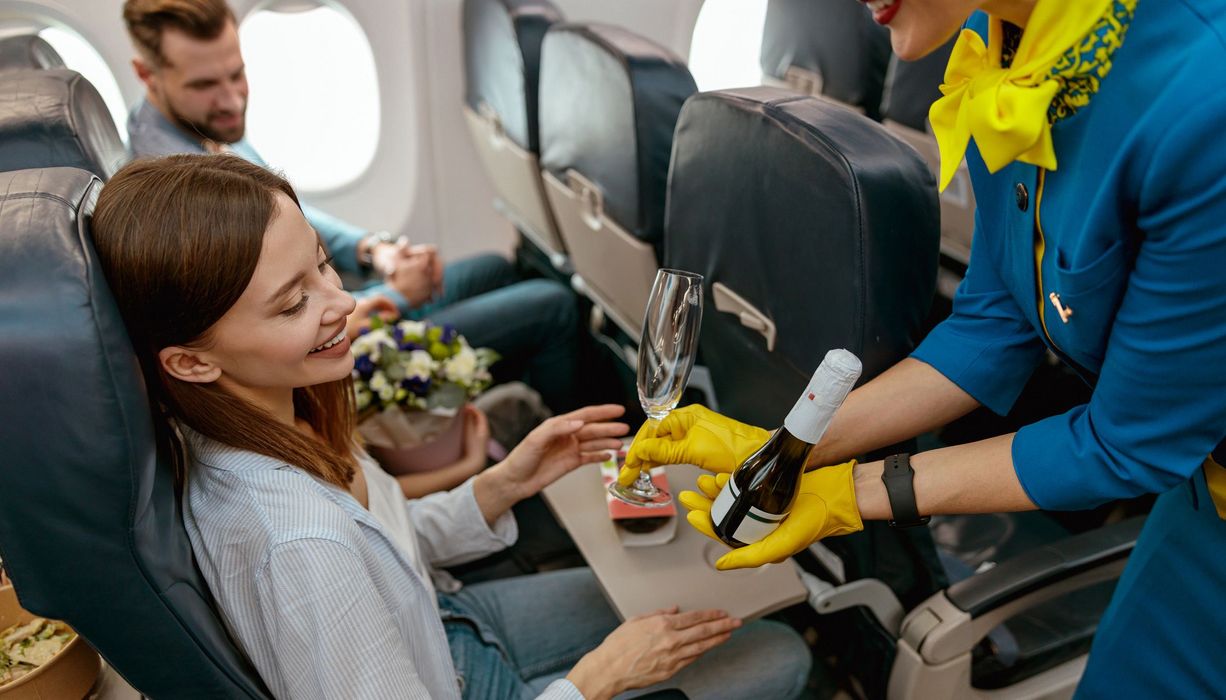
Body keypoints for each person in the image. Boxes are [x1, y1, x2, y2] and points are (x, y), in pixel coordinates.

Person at [624, 0, 1226, 695]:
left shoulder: (1202, 95)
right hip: (1200, 493)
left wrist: (852, 494)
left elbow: (1124, 442)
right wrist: (784, 448)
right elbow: (995, 324)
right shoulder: (999, 45)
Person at [88, 153, 811, 700]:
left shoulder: (265, 420)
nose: (340, 303)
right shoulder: (295, 545)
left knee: (713, 612)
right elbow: (338, 559)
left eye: (320, 267)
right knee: (779, 656)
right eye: (290, 305)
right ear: (190, 361)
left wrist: (501, 484)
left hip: (441, 625)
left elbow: (379, 552)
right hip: (448, 677)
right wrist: (594, 682)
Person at [121, 0, 582, 412]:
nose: (231, 99)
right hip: (321, 355)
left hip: (333, 312)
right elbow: (275, 321)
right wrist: (396, 296)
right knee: (553, 306)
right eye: (205, 84)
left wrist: (373, 250)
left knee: (496, 269)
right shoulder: (177, 193)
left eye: (237, 73)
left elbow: (286, 215)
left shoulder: (203, 126)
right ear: (147, 75)